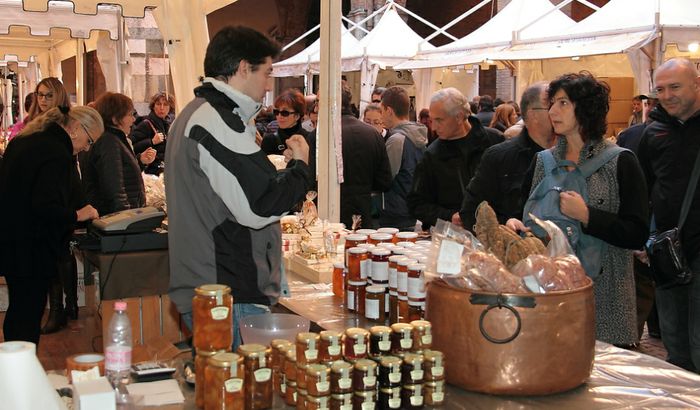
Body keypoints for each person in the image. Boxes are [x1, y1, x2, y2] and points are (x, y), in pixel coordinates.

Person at [165, 26, 311, 350]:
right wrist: (300, 167)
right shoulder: (215, 120)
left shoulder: (199, 113)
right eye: (266, 73)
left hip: (215, 285)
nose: (268, 84)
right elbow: (262, 205)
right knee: (235, 392)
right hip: (227, 289)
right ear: (244, 68)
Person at [513, 72, 649, 347]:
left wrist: (588, 216)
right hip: (551, 296)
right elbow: (527, 218)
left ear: (585, 108)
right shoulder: (543, 162)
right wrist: (518, 226)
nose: (552, 111)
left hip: (605, 301)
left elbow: (636, 233)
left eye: (563, 103)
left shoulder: (620, 162)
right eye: (551, 103)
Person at [0, 105, 102, 346]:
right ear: (76, 129)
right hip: (32, 247)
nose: (86, 148)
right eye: (89, 141)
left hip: (13, 241)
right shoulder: (56, 153)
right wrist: (79, 214)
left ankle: (15, 368)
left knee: (19, 309)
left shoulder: (27, 140)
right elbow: (45, 207)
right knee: (27, 315)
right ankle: (20, 373)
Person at [638, 57, 700, 372]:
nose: (666, 95)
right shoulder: (653, 131)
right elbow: (645, 188)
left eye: (674, 87)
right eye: (660, 89)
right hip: (667, 250)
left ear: (697, 84)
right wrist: (643, 239)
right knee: (675, 346)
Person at [460, 82, 555, 232]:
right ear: (533, 114)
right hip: (515, 250)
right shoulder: (499, 157)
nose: (559, 111)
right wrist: (504, 225)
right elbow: (470, 212)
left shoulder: (571, 155)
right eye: (552, 106)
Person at [408, 87, 503, 230]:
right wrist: (449, 216)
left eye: (439, 120)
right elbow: (416, 204)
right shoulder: (432, 154)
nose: (433, 127)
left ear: (459, 117)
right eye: (432, 120)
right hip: (453, 239)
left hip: (496, 233)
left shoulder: (494, 141)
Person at [80, 92, 154, 215]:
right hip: (114, 220)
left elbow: (120, 172)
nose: (133, 119)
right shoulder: (108, 141)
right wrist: (126, 218)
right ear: (115, 119)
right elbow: (114, 187)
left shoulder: (114, 139)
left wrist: (139, 162)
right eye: (130, 114)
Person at [339, 87, 392, 229]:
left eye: (376, 122)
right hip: (365, 208)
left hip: (336, 208)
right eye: (368, 121)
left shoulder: (323, 133)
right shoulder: (374, 137)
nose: (372, 126)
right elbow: (384, 181)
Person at [379, 86, 428, 230]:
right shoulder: (418, 135)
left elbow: (386, 177)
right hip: (410, 207)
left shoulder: (397, 140)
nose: (381, 116)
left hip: (395, 210)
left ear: (389, 111)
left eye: (381, 111)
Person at [130, 92, 176, 175]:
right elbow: (131, 147)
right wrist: (151, 141)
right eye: (158, 104)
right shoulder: (146, 124)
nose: (162, 108)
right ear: (153, 106)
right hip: (150, 173)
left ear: (170, 107)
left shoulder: (170, 124)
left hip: (165, 171)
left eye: (165, 104)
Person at [261, 89, 311, 155]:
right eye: (276, 112)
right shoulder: (269, 140)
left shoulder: (308, 138)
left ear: (297, 116)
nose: (279, 116)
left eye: (285, 113)